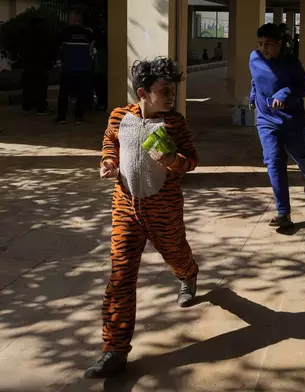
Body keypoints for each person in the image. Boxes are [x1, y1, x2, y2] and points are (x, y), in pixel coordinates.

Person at [83, 57, 200, 379]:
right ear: (143, 93)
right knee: (120, 277)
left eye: (173, 90)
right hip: (126, 210)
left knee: (176, 253)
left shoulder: (175, 123)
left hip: (164, 211)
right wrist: (107, 162)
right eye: (165, 91)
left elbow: (192, 161)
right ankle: (114, 350)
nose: (171, 96)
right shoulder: (120, 117)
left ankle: (188, 274)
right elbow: (110, 142)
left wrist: (174, 160)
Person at [249, 23, 305, 229]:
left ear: (280, 44)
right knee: (274, 161)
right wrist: (253, 96)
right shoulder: (254, 58)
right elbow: (255, 80)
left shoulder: (291, 63)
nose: (264, 48)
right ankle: (283, 212)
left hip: (291, 119)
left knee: (299, 155)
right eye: (261, 44)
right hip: (265, 120)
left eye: (269, 44)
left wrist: (284, 94)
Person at [55, 7, 94, 125]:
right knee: (81, 93)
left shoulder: (64, 32)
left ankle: (62, 116)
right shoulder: (88, 33)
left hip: (69, 68)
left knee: (64, 93)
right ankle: (78, 116)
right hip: (83, 68)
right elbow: (91, 51)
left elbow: (59, 48)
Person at [20, 16, 55, 115]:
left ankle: (27, 106)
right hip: (40, 63)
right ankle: (41, 107)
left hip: (28, 63)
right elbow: (50, 48)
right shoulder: (44, 34)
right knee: (41, 85)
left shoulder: (25, 34)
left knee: (28, 84)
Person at [93, 31, 108, 111]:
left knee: (100, 89)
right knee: (102, 90)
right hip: (102, 74)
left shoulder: (100, 53)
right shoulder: (102, 52)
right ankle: (101, 103)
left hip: (100, 74)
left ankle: (101, 103)